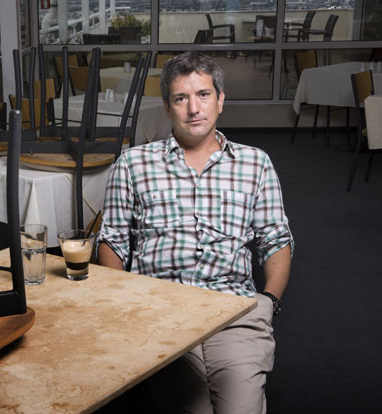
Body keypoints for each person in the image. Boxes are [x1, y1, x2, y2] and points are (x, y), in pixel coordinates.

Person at [96, 52, 293, 413]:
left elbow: (276, 240)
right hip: (158, 310)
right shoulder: (133, 163)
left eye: (203, 94)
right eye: (180, 98)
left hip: (233, 310)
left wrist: (269, 301)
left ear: (220, 100)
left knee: (241, 409)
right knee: (194, 407)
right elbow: (113, 240)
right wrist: (126, 305)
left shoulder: (255, 163)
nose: (193, 108)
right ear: (167, 107)